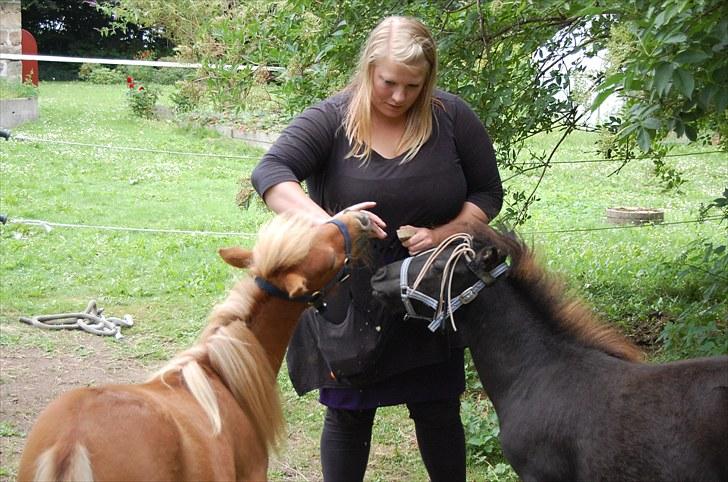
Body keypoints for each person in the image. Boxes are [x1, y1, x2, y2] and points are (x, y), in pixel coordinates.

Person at [251, 16, 503, 482]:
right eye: (389, 82)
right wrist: (331, 225)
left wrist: (446, 232)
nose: (399, 96)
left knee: (438, 410)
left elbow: (487, 192)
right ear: (369, 69)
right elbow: (271, 172)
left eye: (413, 85)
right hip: (351, 300)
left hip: (428, 293)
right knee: (348, 415)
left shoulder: (451, 118)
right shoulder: (332, 119)